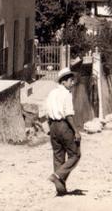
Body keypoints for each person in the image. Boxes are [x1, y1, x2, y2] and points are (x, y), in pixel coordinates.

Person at [45, 67, 81, 196]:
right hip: (64, 125)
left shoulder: (52, 93)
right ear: (64, 82)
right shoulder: (66, 94)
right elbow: (68, 115)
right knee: (75, 154)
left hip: (53, 126)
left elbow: (46, 113)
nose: (73, 83)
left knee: (58, 156)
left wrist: (51, 128)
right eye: (71, 81)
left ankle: (60, 189)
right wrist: (76, 131)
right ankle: (57, 175)